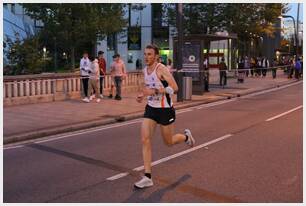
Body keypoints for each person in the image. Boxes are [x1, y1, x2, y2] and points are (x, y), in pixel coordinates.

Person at [134, 44, 195, 189]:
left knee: (169, 142)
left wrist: (155, 91)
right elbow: (146, 88)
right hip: (151, 109)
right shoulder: (145, 70)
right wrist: (142, 95)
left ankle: (187, 137)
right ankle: (147, 176)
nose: (146, 57)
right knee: (145, 139)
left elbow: (174, 88)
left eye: (149, 54)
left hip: (165, 110)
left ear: (156, 56)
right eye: (145, 54)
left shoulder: (161, 69)